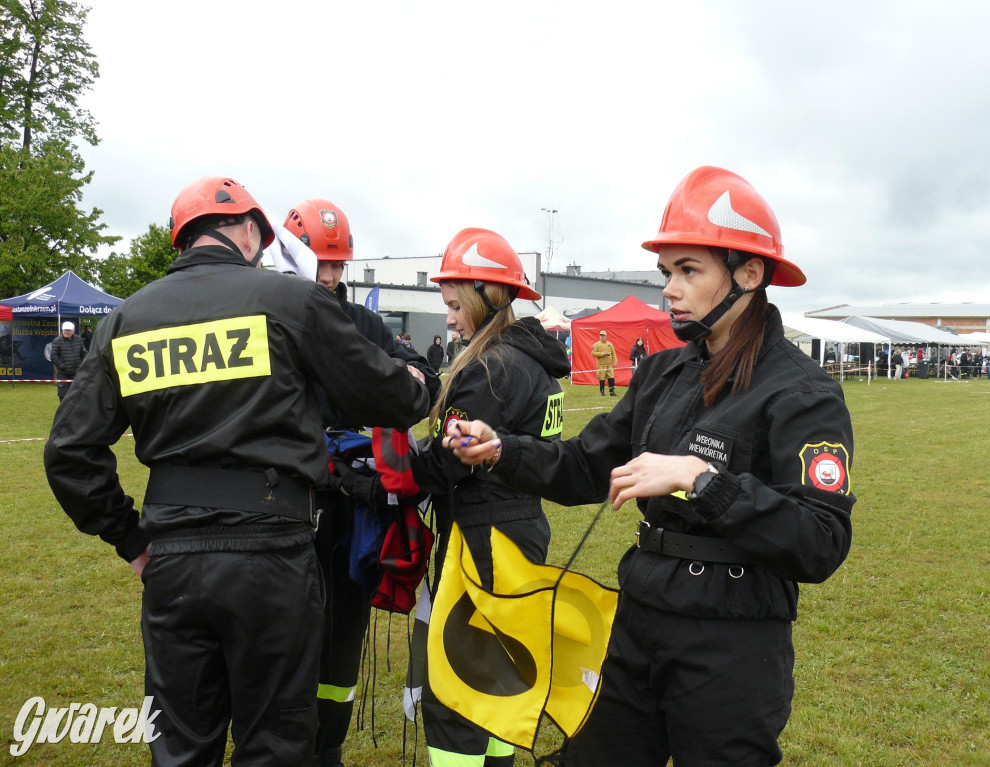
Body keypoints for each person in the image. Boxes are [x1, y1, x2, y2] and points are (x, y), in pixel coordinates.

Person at [445, 166, 855, 766]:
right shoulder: (665, 373)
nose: (670, 289)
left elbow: (820, 541)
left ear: (749, 274)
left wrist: (701, 481)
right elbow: (585, 466)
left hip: (731, 642)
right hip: (640, 622)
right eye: (668, 273)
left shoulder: (801, 392)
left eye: (689, 271)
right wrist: (502, 448)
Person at [43, 176, 431, 767]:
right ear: (250, 232)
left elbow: (69, 452)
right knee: (275, 744)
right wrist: (417, 381)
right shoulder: (288, 301)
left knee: (180, 746)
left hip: (172, 559)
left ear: (182, 241)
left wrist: (130, 538)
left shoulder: (128, 319)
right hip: (271, 555)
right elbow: (390, 398)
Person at [282, 197, 440, 767]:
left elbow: (423, 372)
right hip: (286, 506)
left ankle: (329, 748)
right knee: (286, 637)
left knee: (343, 634)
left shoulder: (363, 323)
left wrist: (406, 377)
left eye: (337, 267)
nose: (329, 278)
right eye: (320, 266)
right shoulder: (274, 314)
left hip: (352, 513)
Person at [413, 227, 569, 767]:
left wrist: (378, 471)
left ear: (484, 297)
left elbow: (444, 464)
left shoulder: (490, 370)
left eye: (455, 305)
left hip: (481, 539)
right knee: (504, 673)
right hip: (521, 532)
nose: (450, 318)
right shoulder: (534, 365)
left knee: (456, 687)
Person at [50, 320, 87, 400]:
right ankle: (63, 413)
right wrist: (62, 366)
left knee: (78, 396)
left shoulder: (79, 340)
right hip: (63, 374)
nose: (67, 332)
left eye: (69, 330)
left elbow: (84, 353)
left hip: (77, 373)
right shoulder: (57, 341)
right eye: (65, 330)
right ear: (62, 330)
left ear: (73, 330)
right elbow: (53, 356)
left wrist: (82, 365)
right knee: (63, 396)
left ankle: (77, 412)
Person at [592, 329, 618, 396]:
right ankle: (602, 391)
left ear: (606, 336)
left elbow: (613, 353)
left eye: (603, 336)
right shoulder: (596, 345)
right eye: (601, 336)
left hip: (609, 364)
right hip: (601, 365)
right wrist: (601, 354)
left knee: (611, 378)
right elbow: (593, 353)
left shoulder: (609, 344)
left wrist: (615, 361)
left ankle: (612, 391)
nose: (602, 337)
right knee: (602, 378)